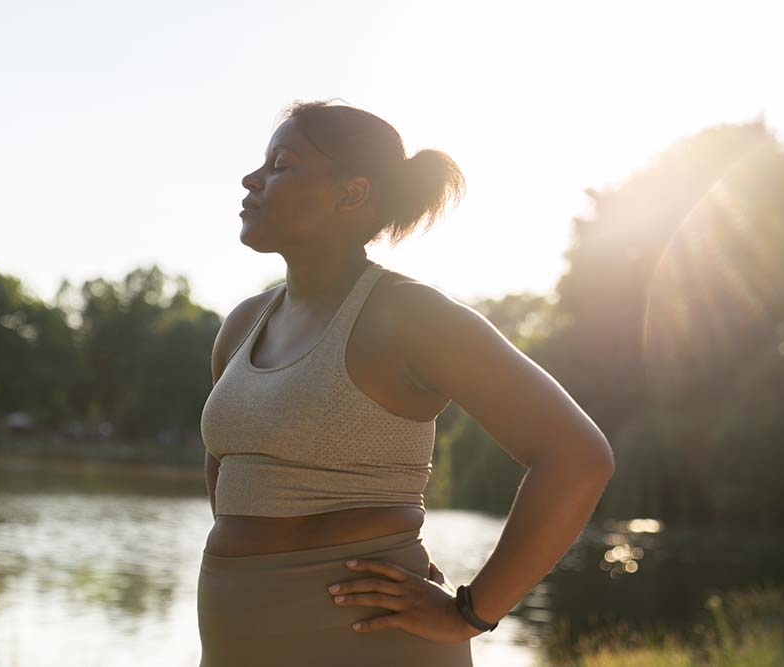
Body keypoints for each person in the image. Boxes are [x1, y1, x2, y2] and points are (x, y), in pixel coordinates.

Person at [197, 99, 615, 666]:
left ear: (353, 192)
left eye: (281, 164)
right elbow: (231, 482)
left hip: (372, 644)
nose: (251, 180)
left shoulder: (410, 316)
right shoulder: (242, 325)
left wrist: (470, 612)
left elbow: (577, 456)